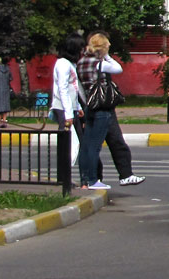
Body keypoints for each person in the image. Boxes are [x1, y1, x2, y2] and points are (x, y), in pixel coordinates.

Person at [77, 32, 145, 188]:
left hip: (90, 106)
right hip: (102, 107)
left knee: (87, 145)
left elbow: (80, 88)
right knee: (95, 146)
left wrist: (87, 101)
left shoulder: (81, 63)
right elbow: (118, 68)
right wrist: (106, 56)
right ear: (102, 48)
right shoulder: (99, 63)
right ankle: (93, 180)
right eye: (107, 46)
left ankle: (86, 180)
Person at [51, 33, 85, 177]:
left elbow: (74, 89)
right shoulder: (63, 64)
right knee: (70, 144)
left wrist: (78, 107)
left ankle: (66, 177)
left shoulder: (70, 64)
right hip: (64, 109)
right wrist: (69, 114)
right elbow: (63, 89)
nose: (82, 52)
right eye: (80, 48)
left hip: (71, 108)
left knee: (77, 143)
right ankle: (63, 178)